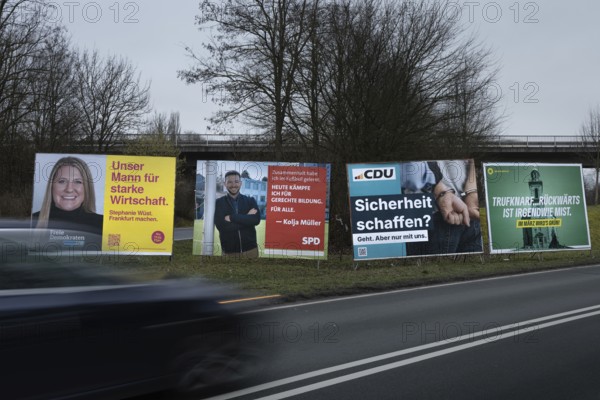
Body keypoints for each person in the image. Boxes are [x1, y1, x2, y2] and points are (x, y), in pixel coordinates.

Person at [32, 157, 103, 240]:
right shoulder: (31, 221)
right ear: (51, 187)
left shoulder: (103, 224)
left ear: (87, 188)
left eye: (78, 182)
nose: (69, 189)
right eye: (62, 181)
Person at [214, 170, 261, 257]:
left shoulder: (250, 201)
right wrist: (247, 219)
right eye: (230, 182)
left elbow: (256, 220)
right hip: (229, 251)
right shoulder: (218, 203)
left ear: (240, 183)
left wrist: (232, 218)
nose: (233, 185)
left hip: (251, 250)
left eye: (236, 181)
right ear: (225, 184)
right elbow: (222, 226)